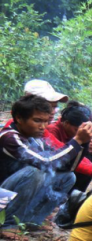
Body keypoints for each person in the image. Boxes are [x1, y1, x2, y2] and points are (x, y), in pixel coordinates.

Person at [0, 95, 87, 228]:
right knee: (34, 172)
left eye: (46, 121)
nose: (43, 126)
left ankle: (32, 221)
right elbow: (46, 162)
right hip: (2, 195)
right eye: (37, 121)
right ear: (19, 118)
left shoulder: (36, 139)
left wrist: (84, 142)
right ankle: (8, 225)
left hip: (12, 195)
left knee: (68, 177)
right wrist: (76, 141)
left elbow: (65, 166)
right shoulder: (9, 137)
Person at [46, 101, 92, 191]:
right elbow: (63, 157)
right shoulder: (52, 131)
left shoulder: (70, 131)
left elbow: (78, 157)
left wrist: (88, 146)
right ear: (66, 123)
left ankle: (76, 193)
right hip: (52, 169)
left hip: (63, 164)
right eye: (76, 130)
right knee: (71, 176)